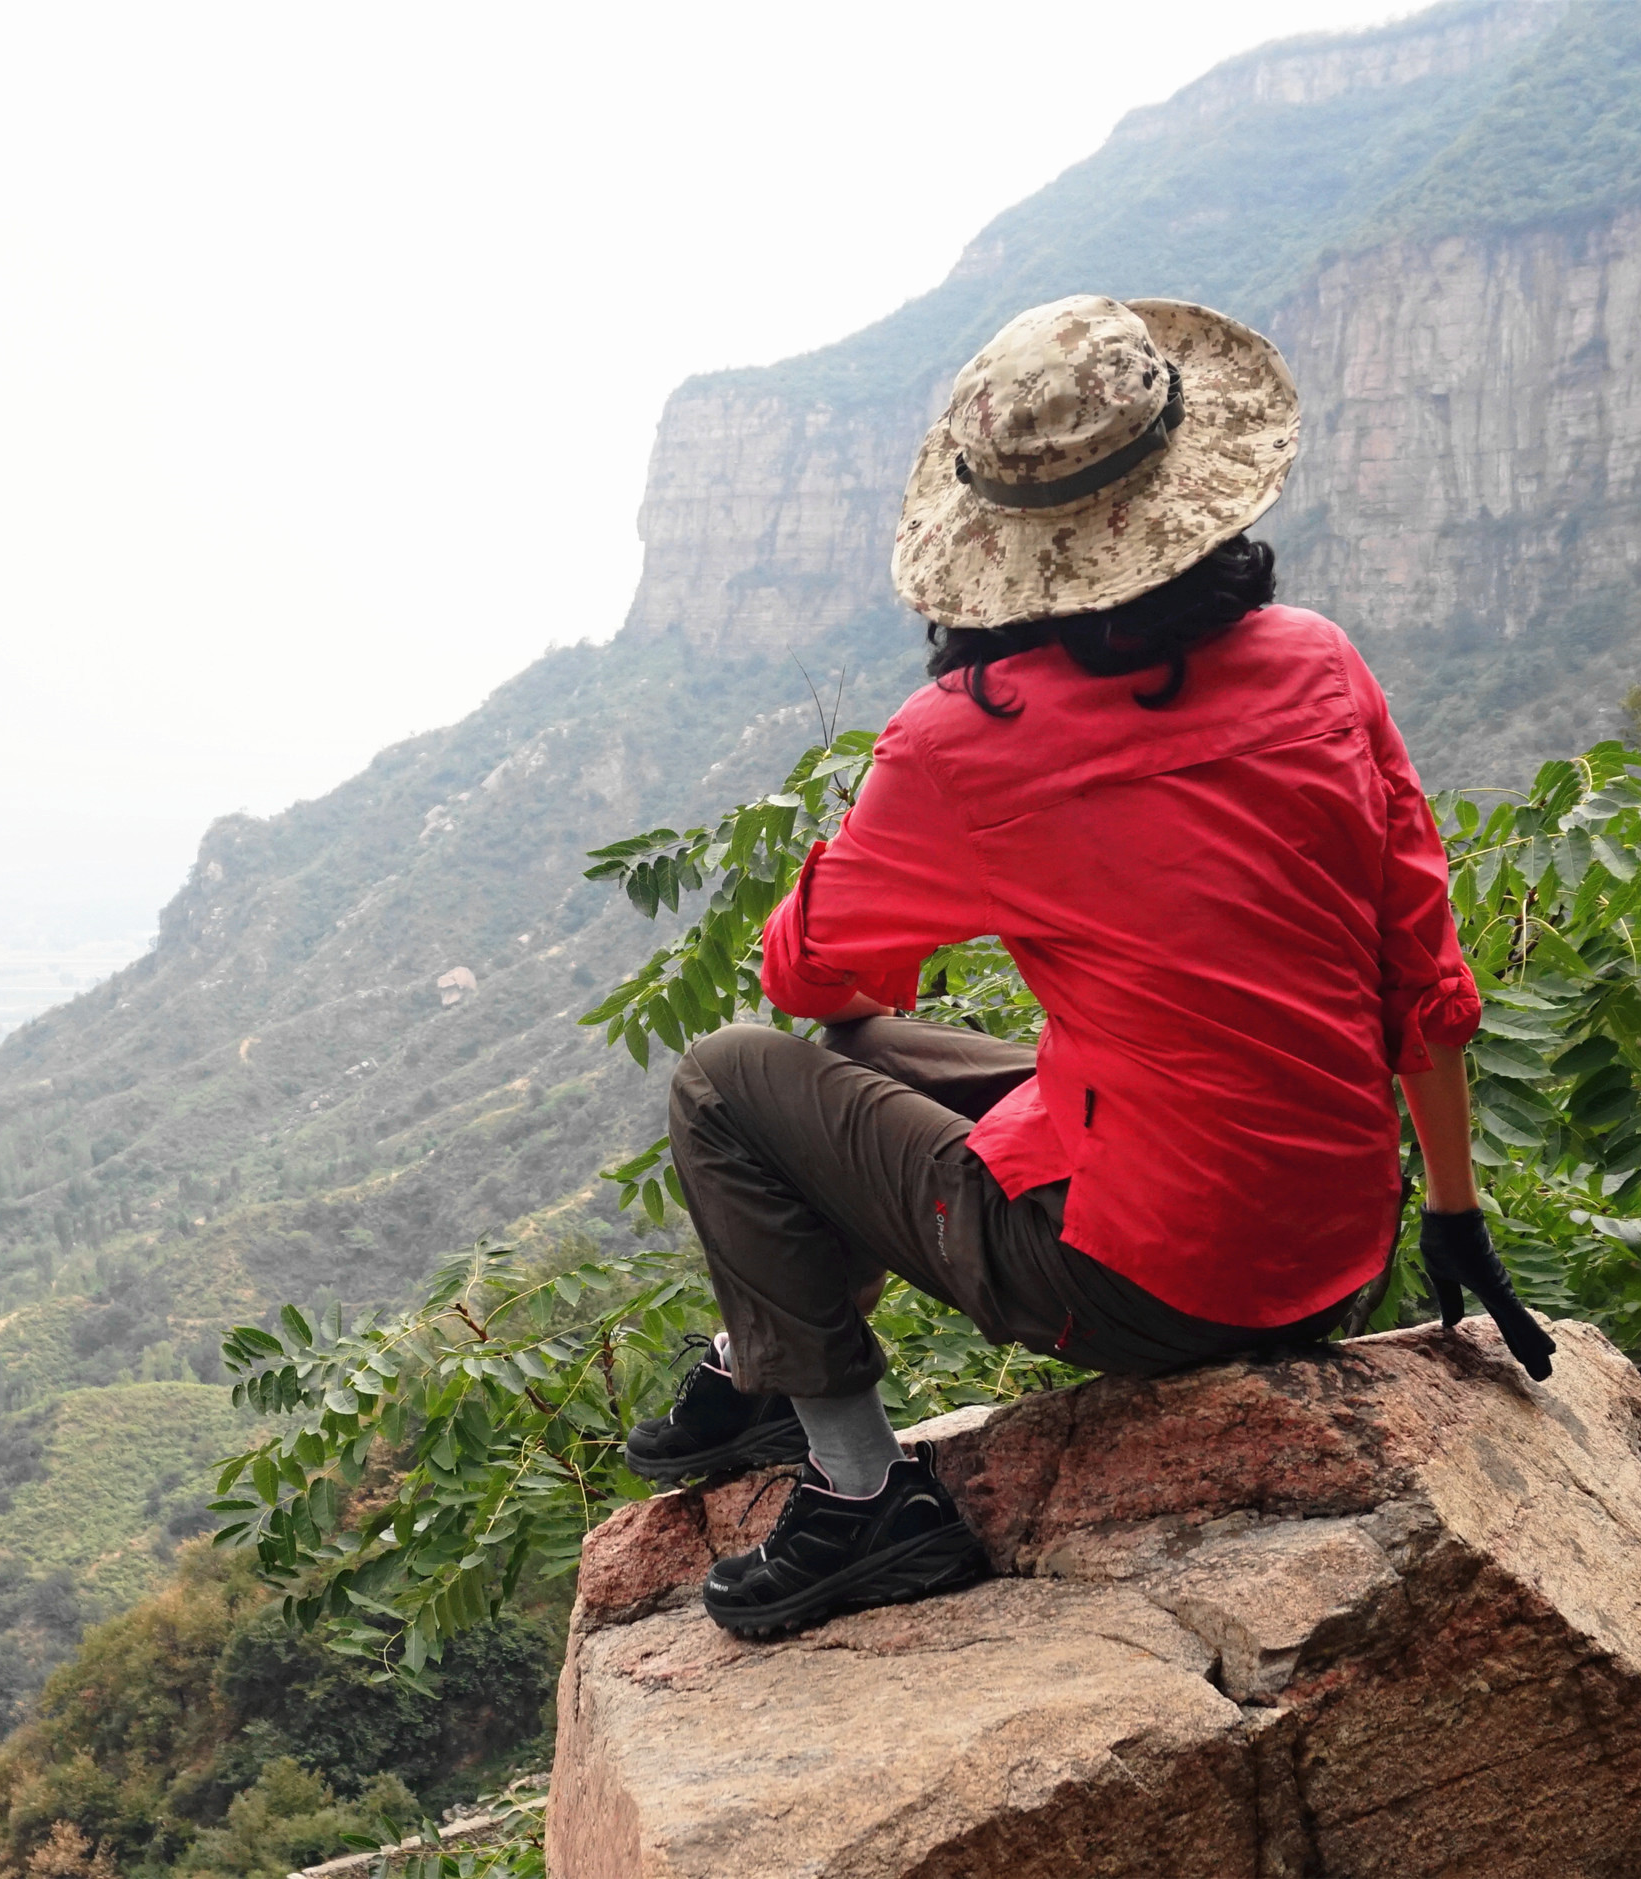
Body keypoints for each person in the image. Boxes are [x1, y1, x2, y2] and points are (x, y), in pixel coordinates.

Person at [620, 294, 1554, 1642]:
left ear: (993, 544)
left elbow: (807, 975)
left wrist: (909, 836)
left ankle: (860, 1497)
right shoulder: (1318, 663)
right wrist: (1454, 1215)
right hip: (1339, 1246)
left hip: (1152, 1290)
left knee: (727, 1083)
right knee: (869, 1058)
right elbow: (1424, 968)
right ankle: (755, 1363)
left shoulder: (963, 739)